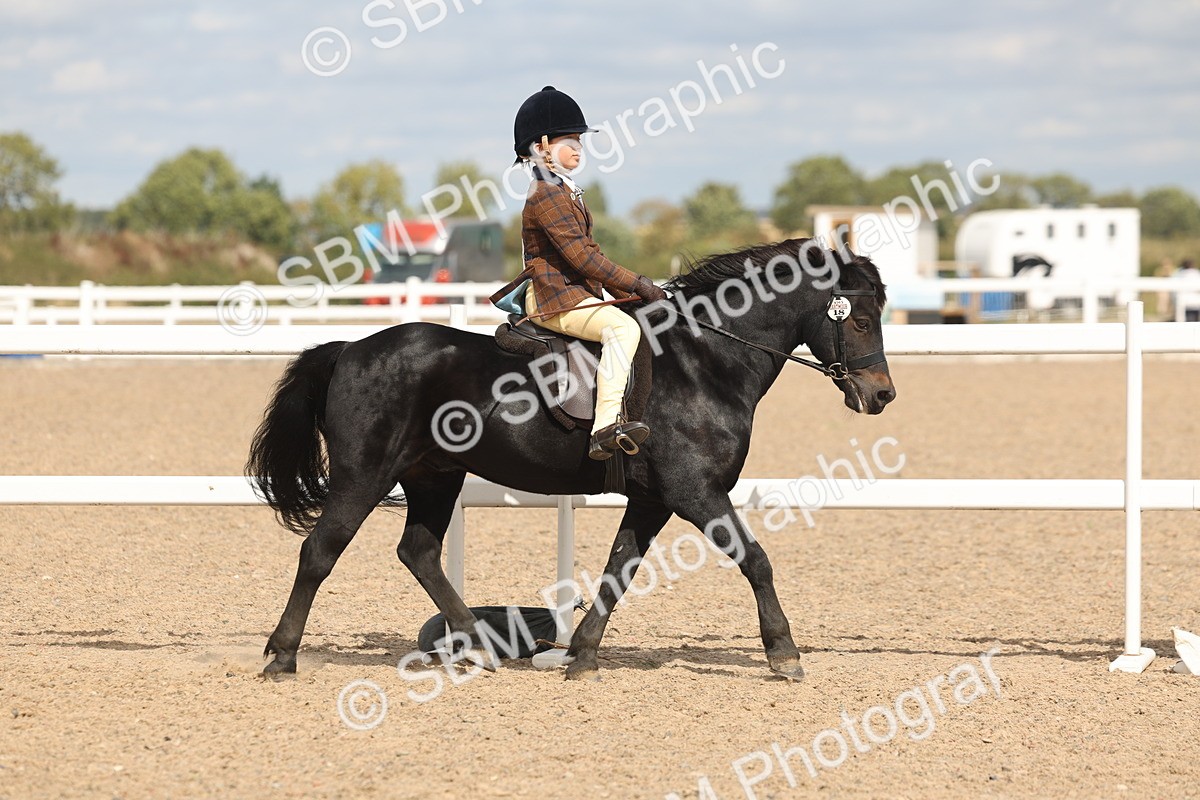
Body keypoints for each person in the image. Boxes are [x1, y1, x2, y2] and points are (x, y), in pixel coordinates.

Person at [503, 86, 666, 460]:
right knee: (623, 328)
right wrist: (639, 284)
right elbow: (583, 259)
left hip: (574, 292)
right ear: (541, 146)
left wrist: (631, 288)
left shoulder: (565, 189)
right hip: (555, 297)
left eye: (579, 140)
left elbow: (590, 254)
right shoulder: (546, 194)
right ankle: (605, 427)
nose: (578, 147)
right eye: (568, 140)